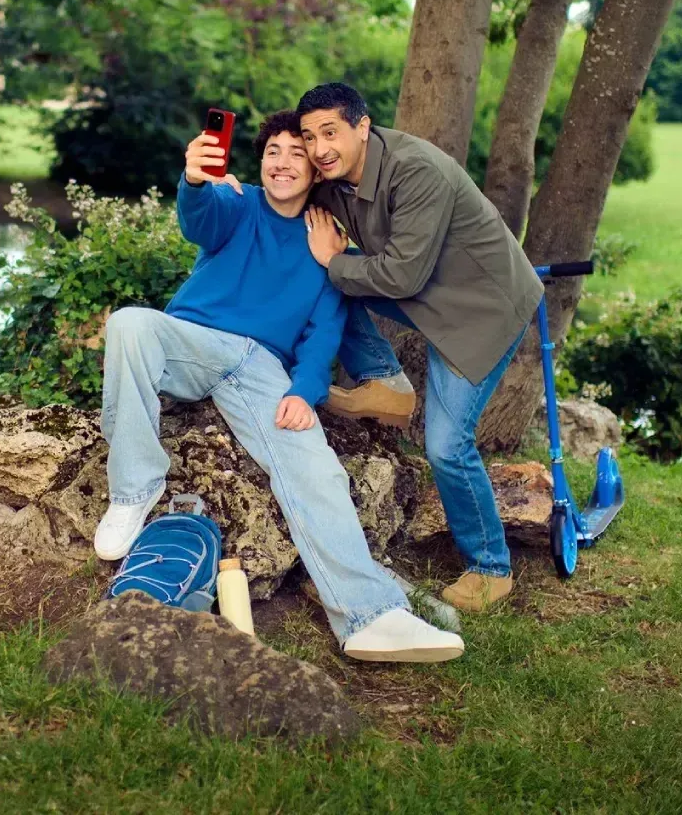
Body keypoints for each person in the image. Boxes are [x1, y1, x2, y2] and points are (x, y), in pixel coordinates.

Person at [94, 110, 464, 663]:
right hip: (193, 341)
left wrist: (305, 390)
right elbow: (199, 219)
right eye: (273, 152)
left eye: (297, 153)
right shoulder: (236, 201)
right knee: (128, 322)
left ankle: (369, 616)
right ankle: (133, 491)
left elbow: (323, 336)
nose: (283, 162)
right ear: (260, 162)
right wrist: (194, 179)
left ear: (315, 171)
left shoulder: (326, 242)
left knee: (312, 462)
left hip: (260, 367)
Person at [298, 83, 545, 613]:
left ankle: (491, 569)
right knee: (324, 273)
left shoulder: (416, 170)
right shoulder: (335, 174)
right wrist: (222, 191)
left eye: (331, 132)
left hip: (482, 308)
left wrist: (334, 261)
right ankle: (386, 383)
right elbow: (282, 194)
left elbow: (403, 275)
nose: (319, 148)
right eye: (309, 137)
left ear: (362, 126)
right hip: (424, 294)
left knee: (446, 446)